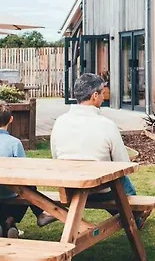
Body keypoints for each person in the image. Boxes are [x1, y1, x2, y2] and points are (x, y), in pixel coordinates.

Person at [50, 73, 140, 223]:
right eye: (103, 93)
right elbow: (123, 165)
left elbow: (55, 156)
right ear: (94, 95)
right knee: (123, 181)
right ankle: (135, 218)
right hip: (101, 189)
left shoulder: (60, 122)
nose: (104, 97)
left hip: (69, 187)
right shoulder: (107, 125)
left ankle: (132, 216)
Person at [0, 102, 56, 238]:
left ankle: (5, 224)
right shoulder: (14, 143)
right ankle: (12, 220)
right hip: (11, 192)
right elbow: (25, 172)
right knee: (28, 189)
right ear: (11, 119)